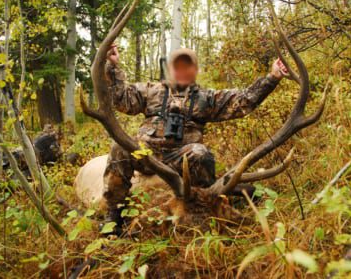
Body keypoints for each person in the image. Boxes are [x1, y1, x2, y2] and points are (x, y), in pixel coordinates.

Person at [103, 46, 288, 232]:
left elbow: (243, 100)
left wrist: (272, 77)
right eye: (178, 66)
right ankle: (114, 214)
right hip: (149, 155)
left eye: (187, 66)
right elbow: (121, 100)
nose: (182, 71)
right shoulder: (150, 91)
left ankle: (206, 204)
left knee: (201, 153)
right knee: (120, 147)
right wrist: (111, 65)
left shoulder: (205, 98)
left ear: (195, 70)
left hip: (181, 157)